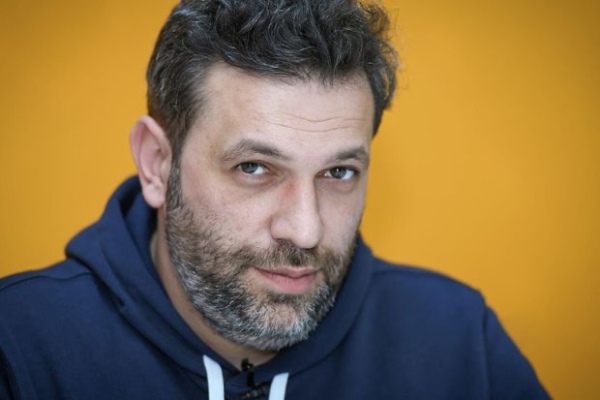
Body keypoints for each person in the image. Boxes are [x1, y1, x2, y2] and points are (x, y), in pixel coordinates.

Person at [0, 1, 550, 399]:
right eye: (254, 168)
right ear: (157, 163)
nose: (306, 230)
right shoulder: (19, 344)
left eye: (338, 172)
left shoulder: (460, 345)